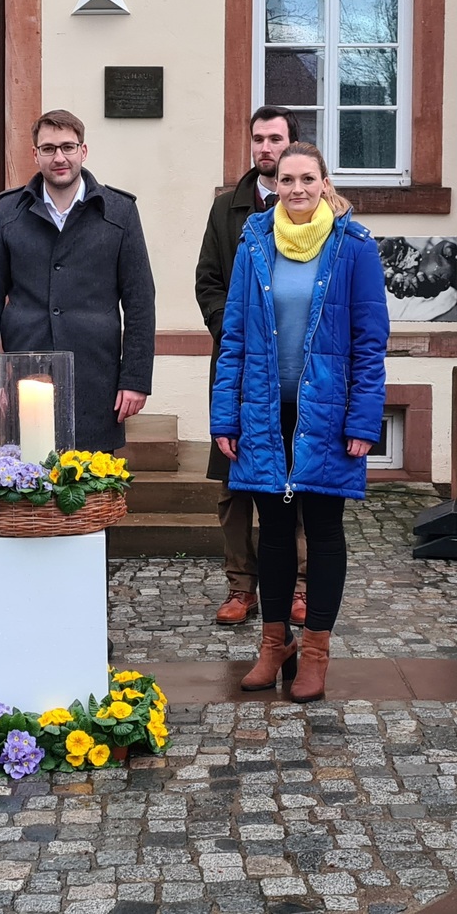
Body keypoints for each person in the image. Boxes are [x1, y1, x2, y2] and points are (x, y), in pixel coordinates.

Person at [211, 142, 389, 702]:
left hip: (328, 414)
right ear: (276, 185)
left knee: (325, 531)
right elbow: (233, 336)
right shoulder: (254, 243)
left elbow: (370, 341)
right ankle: (273, 646)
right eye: (287, 180)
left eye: (307, 179)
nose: (296, 189)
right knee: (275, 537)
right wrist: (226, 415)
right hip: (265, 412)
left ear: (324, 182)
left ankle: (314, 652)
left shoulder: (354, 247)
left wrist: (365, 418)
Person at [0, 109, 155, 453]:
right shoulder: (10, 212)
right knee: (30, 483)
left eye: (68, 147)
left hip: (94, 372)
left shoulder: (119, 211)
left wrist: (135, 379)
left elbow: (140, 301)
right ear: (35, 154)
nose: (59, 158)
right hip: (26, 366)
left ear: (83, 152)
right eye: (49, 148)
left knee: (90, 488)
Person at [196, 105, 308, 627]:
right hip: (239, 368)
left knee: (297, 477)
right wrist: (236, 329)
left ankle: (301, 586)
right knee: (235, 486)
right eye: (258, 139)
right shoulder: (227, 210)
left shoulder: (314, 210)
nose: (265, 148)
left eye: (276, 139)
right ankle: (242, 588)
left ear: (292, 146)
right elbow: (208, 282)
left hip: (296, 370)